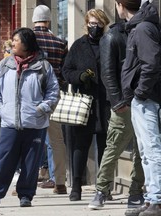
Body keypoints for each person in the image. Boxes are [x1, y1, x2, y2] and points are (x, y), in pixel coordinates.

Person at [0, 27, 60, 208]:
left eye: (16, 40)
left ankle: (26, 195)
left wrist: (42, 108)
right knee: (3, 161)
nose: (12, 43)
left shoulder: (43, 66)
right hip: (9, 122)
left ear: (26, 43)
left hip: (35, 123)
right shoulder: (3, 66)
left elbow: (54, 92)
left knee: (31, 164)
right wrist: (0, 108)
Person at [88, 10, 144, 210]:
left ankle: (136, 191)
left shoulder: (147, 30)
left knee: (141, 150)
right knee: (113, 147)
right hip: (124, 103)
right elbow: (108, 73)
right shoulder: (112, 36)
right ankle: (102, 190)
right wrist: (117, 101)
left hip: (145, 100)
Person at [117, 1, 161, 216]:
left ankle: (157, 200)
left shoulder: (142, 28)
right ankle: (151, 198)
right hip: (143, 99)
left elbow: (151, 63)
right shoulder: (141, 26)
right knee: (145, 151)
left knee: (151, 150)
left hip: (147, 99)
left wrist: (140, 92)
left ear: (120, 5)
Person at [62, 8, 110, 201]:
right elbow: (66, 70)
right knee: (80, 145)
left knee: (106, 146)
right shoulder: (78, 46)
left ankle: (103, 187)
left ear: (104, 24)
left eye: (98, 24)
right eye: (91, 23)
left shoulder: (110, 42)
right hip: (85, 103)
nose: (94, 27)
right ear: (86, 24)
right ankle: (76, 186)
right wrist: (79, 77)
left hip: (106, 102)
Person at [32, 4, 68, 194]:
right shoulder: (59, 42)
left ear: (34, 19)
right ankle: (60, 181)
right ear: (49, 20)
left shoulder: (27, 39)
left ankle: (26, 181)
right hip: (53, 95)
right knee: (56, 139)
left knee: (28, 138)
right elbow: (63, 71)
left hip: (31, 95)